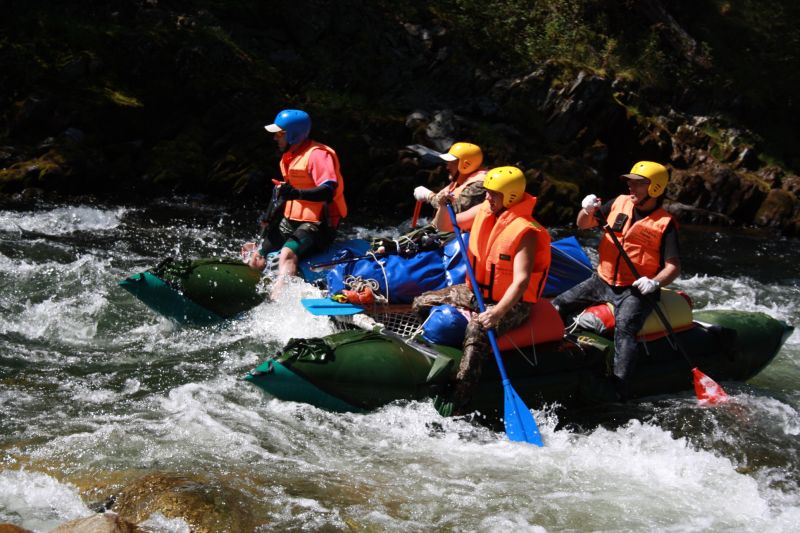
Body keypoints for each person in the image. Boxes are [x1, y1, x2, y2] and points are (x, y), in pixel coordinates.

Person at [412, 166, 551, 416]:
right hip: (477, 291)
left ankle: (459, 402)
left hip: (512, 303)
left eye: (493, 194)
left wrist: (496, 313)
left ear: (509, 196)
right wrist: (443, 205)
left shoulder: (526, 231)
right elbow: (444, 225)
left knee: (477, 329)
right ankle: (442, 355)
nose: (487, 198)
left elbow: (520, 282)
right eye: (487, 192)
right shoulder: (485, 210)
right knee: (422, 302)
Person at [551, 161, 681, 399]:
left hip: (635, 289)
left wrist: (655, 282)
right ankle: (554, 354)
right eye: (630, 182)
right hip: (602, 279)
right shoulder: (619, 202)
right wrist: (587, 210)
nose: (632, 187)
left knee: (625, 330)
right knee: (557, 306)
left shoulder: (665, 224)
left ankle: (619, 388)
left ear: (655, 188)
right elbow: (583, 224)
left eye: (639, 183)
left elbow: (673, 266)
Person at [241, 109, 347, 287]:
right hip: (292, 220)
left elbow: (328, 190)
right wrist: (269, 216)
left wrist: (298, 193)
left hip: (320, 223)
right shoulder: (289, 158)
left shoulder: (318, 155)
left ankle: (279, 302)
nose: (275, 138)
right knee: (256, 255)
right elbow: (283, 192)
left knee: (286, 254)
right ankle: (252, 291)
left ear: (293, 135)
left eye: (279, 134)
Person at [413, 142, 487, 231]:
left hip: (460, 235)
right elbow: (441, 198)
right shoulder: (461, 179)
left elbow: (453, 208)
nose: (447, 166)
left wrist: (428, 195)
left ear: (465, 165)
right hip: (443, 230)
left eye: (452, 162)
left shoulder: (479, 186)